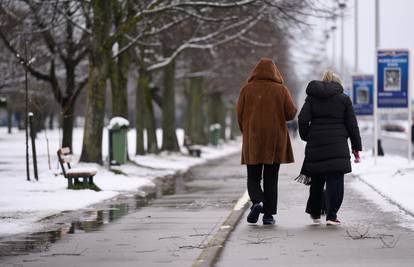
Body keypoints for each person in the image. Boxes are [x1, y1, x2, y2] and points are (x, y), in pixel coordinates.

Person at [237, 58, 297, 225]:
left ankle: (257, 201)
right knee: (271, 178)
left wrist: (247, 131)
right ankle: (268, 215)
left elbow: (239, 114)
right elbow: (291, 114)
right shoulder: (281, 90)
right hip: (275, 140)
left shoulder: (246, 90)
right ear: (275, 72)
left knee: (253, 176)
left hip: (253, 138)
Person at [298, 70, 362, 226]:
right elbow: (352, 125)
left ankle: (315, 213)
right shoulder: (344, 99)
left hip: (316, 144)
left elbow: (302, 119)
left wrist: (307, 136)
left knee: (317, 180)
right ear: (338, 83)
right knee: (336, 180)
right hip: (338, 146)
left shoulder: (312, 98)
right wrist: (356, 147)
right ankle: (332, 215)